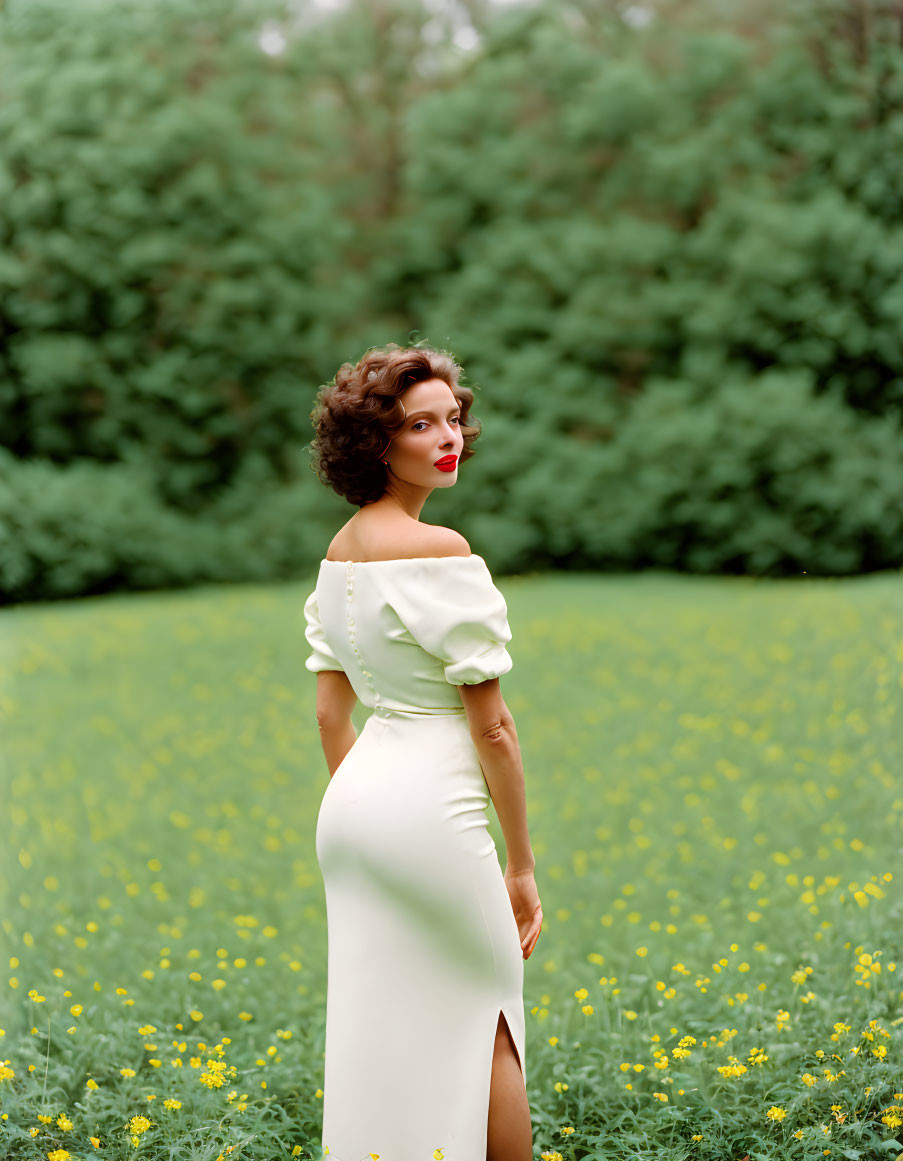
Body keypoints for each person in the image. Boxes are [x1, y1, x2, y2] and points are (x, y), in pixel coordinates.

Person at [304, 341, 542, 1161]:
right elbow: (493, 728)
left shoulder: (336, 557)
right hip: (430, 811)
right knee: (489, 1018)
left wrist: (371, 805)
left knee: (384, 1024)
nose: (448, 437)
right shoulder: (440, 551)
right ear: (375, 442)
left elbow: (331, 717)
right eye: (419, 424)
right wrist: (521, 864)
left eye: (453, 419)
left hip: (352, 812)